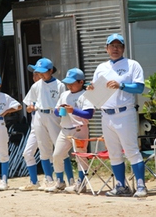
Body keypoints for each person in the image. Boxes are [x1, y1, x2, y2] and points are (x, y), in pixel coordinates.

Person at [86, 33, 147, 197]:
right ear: (106, 49)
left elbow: (139, 88)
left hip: (124, 112)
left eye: (118, 45)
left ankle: (141, 186)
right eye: (112, 46)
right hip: (106, 114)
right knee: (113, 152)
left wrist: (121, 85)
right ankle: (121, 186)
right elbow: (96, 88)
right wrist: (91, 88)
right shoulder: (101, 68)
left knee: (131, 150)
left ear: (123, 48)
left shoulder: (132, 65)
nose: (115, 49)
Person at [22, 58, 73, 191]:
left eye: (43, 72)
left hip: (53, 115)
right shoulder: (36, 85)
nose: (40, 74)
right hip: (39, 115)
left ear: (51, 71)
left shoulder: (59, 85)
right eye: (38, 72)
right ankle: (49, 179)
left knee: (60, 149)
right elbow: (29, 103)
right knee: (44, 149)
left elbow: (64, 103)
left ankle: (69, 179)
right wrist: (30, 107)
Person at [45, 68, 94, 193]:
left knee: (80, 156)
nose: (69, 85)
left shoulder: (86, 95)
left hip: (79, 128)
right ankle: (60, 182)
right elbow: (56, 112)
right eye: (68, 83)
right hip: (65, 129)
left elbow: (89, 114)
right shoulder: (64, 94)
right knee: (57, 155)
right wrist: (60, 109)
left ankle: (81, 183)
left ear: (81, 82)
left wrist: (73, 110)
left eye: (72, 83)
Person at [19, 70, 42, 191]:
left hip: (48, 125)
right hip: (35, 126)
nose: (35, 77)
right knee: (27, 153)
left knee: (52, 154)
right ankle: (34, 182)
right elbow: (28, 108)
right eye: (33, 75)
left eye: (37, 74)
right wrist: (30, 108)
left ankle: (57, 181)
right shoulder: (33, 88)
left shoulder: (50, 86)